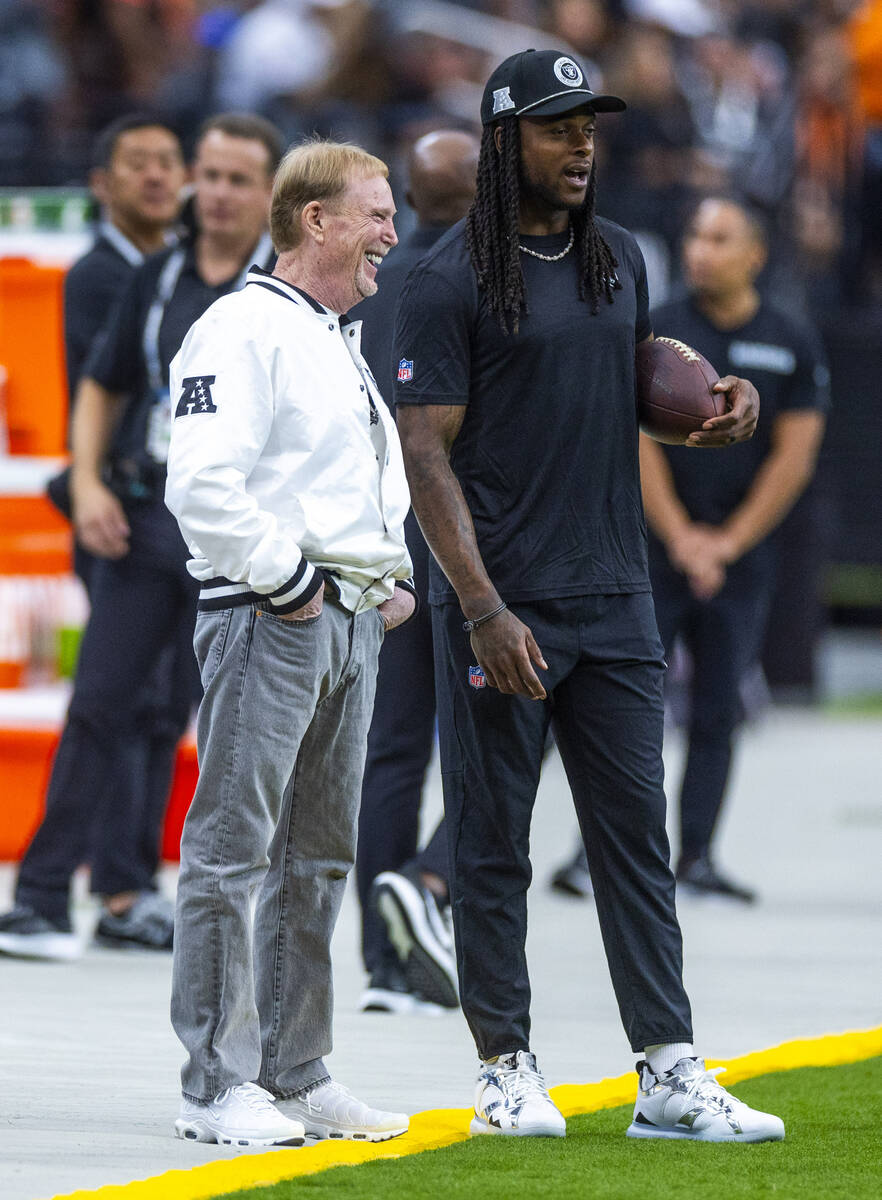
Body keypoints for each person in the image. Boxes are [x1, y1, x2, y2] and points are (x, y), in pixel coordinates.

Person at [394, 48, 784, 1143]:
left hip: (615, 594)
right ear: (505, 137)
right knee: (490, 843)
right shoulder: (443, 280)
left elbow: (622, 383)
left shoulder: (618, 257)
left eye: (592, 127)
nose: (583, 146)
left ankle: (668, 1071)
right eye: (561, 127)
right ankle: (504, 1067)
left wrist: (710, 403)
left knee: (634, 843)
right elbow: (427, 462)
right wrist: (479, 607)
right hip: (502, 605)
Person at [165, 138, 416, 1148]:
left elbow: (337, 480)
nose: (392, 236)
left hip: (342, 619)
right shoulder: (241, 329)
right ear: (314, 219)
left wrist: (381, 577)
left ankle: (296, 1069)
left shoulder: (329, 334)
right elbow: (202, 485)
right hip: (271, 615)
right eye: (376, 214)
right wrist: (294, 578)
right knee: (232, 851)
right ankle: (216, 1083)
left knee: (318, 856)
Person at [0, 113, 280, 963]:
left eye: (240, 179)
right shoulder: (151, 276)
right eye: (213, 175)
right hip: (143, 526)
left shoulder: (281, 290)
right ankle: (46, 897)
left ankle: (159, 902)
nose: (218, 192)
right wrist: (86, 481)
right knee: (101, 705)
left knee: (200, 721)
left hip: (236, 540)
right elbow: (102, 384)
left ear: (272, 193)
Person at [641, 196, 829, 901]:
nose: (701, 249)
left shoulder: (790, 338)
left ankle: (697, 857)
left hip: (740, 557)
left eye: (719, 238)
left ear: (755, 253)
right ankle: (613, 851)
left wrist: (726, 542)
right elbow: (637, 442)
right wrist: (682, 536)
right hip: (657, 550)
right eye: (694, 234)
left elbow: (795, 456)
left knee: (718, 709)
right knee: (628, 709)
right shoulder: (660, 329)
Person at [355, 128, 480, 1016]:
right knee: (511, 729)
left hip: (380, 539)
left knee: (390, 750)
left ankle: (382, 957)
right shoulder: (485, 280)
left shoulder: (373, 282)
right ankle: (433, 886)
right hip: (468, 537)